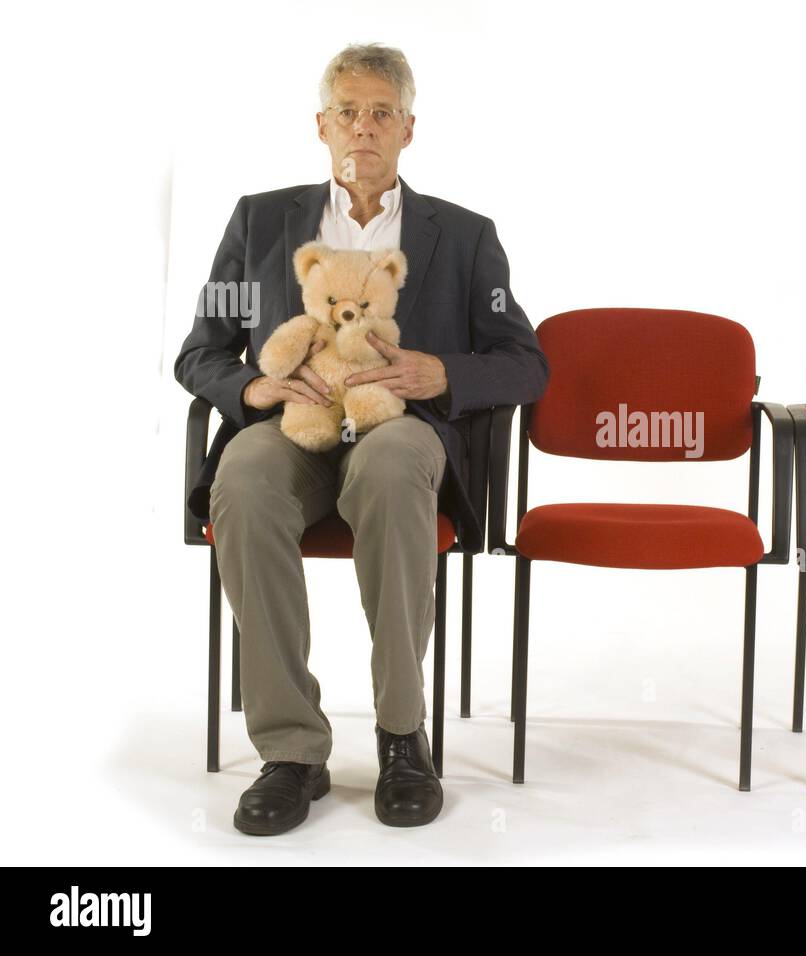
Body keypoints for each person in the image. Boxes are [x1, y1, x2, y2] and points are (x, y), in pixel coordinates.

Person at [174, 43, 549, 835]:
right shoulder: (262, 222)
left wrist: (437, 372)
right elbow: (202, 349)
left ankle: (402, 736)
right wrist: (253, 387)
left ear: (409, 129)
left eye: (382, 113)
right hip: (292, 428)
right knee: (241, 480)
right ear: (321, 125)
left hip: (398, 431)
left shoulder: (466, 237)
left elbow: (525, 363)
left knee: (387, 466)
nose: (363, 128)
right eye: (347, 111)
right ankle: (291, 752)